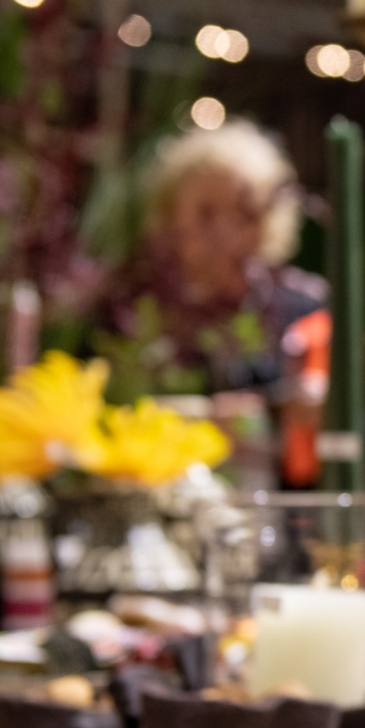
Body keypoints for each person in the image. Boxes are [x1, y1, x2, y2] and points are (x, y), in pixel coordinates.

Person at [101, 122, 330, 487]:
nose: (225, 231)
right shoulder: (130, 308)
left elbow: (350, 425)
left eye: (244, 212)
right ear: (169, 213)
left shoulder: (303, 307)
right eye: (206, 213)